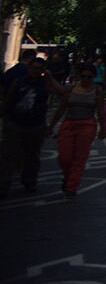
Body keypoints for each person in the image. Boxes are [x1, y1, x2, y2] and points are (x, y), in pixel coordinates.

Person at [0, 55, 59, 197]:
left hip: (35, 125)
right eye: (33, 68)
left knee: (32, 155)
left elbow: (62, 93)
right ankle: (4, 184)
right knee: (9, 155)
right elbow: (9, 100)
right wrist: (6, 119)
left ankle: (29, 182)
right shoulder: (19, 82)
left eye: (39, 69)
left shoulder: (45, 84)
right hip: (16, 123)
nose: (35, 71)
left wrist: (50, 77)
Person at [49, 63, 106, 196]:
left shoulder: (97, 91)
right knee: (65, 157)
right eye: (83, 76)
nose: (86, 79)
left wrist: (103, 128)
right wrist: (51, 125)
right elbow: (61, 108)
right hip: (69, 124)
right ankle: (68, 176)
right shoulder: (71, 89)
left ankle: (71, 186)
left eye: (89, 77)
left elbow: (101, 111)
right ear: (79, 76)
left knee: (80, 157)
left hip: (87, 125)